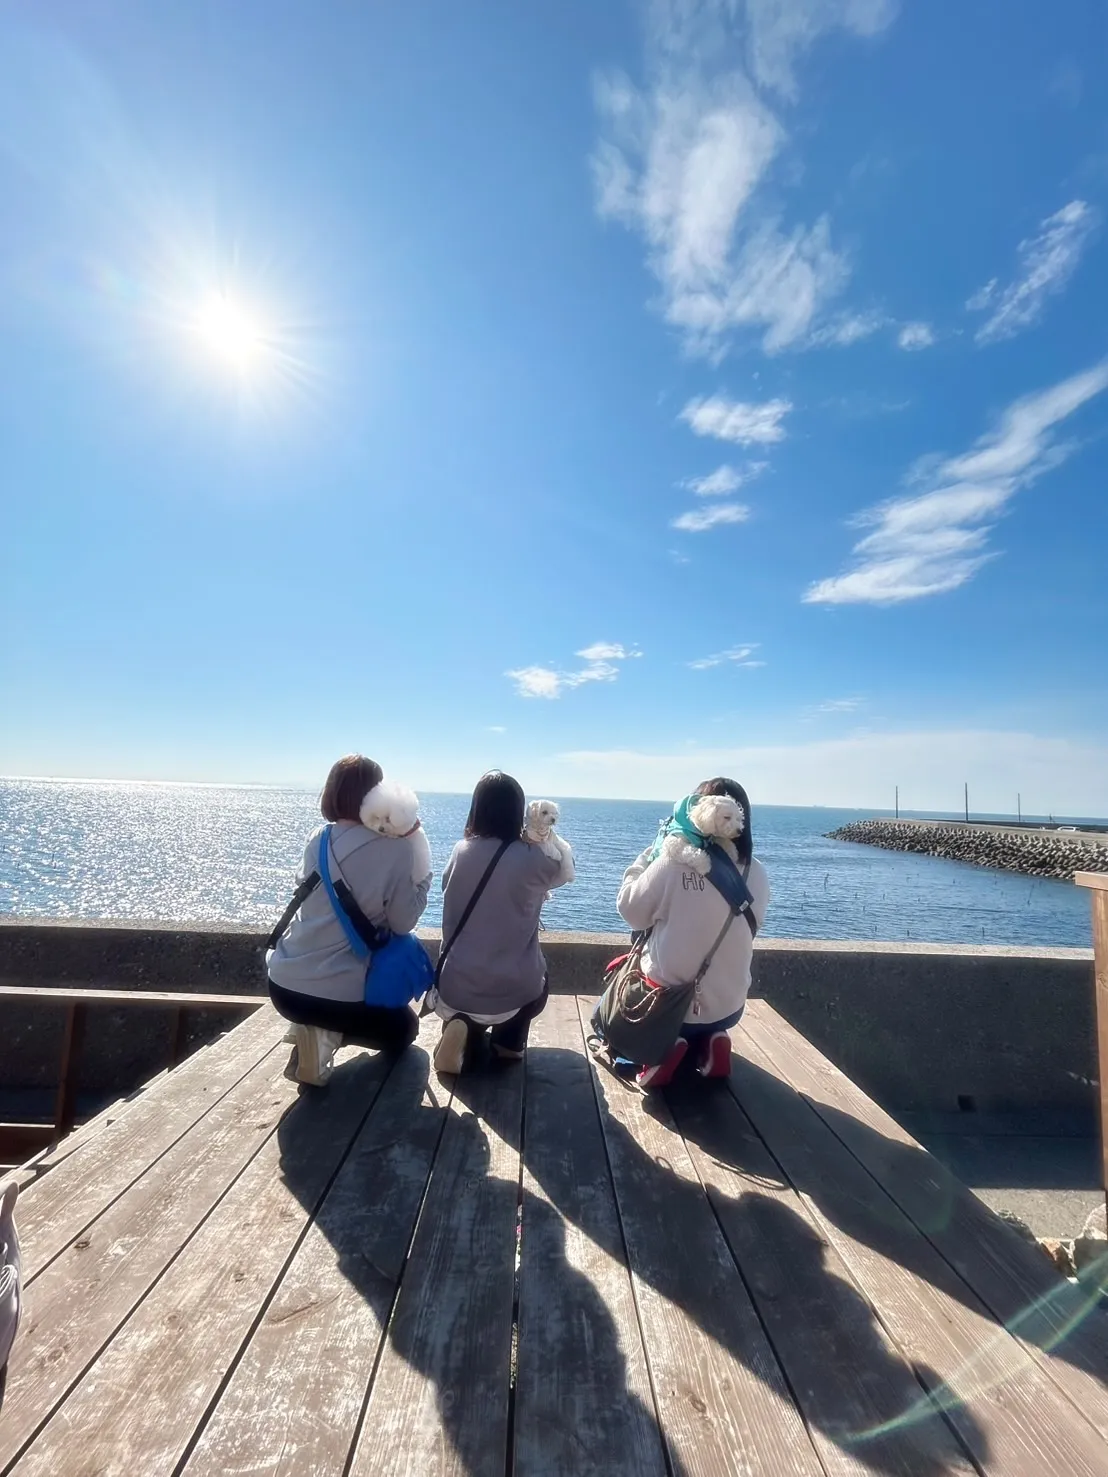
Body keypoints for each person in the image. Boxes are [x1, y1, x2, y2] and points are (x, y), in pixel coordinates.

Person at [268, 754, 432, 1086]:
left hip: (283, 987)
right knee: (405, 1031)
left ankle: (310, 1031)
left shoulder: (319, 837)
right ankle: (326, 1038)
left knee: (323, 1008)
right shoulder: (395, 850)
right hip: (338, 998)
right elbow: (403, 924)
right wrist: (423, 881)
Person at [609, 777, 770, 1089]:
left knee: (615, 1013)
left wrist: (646, 857)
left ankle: (662, 1053)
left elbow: (630, 911)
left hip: (665, 1007)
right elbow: (751, 927)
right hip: (729, 1007)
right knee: (706, 1006)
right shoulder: (757, 871)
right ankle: (709, 1043)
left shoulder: (672, 862)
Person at [429, 771, 574, 1075]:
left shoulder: (460, 850)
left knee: (470, 1001)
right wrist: (544, 838)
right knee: (535, 981)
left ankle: (461, 1029)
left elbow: (445, 887)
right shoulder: (530, 858)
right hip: (512, 988)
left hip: (455, 986)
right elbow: (564, 872)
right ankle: (508, 1044)